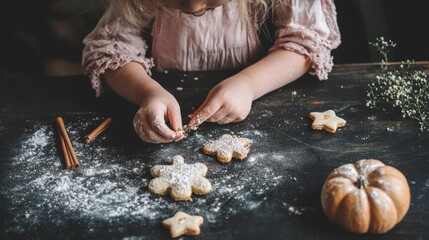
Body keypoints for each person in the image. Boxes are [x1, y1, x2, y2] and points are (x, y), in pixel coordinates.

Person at [82, 0, 340, 143]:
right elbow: (110, 53)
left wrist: (248, 85)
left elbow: (305, 45)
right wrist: (147, 93)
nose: (193, 7)